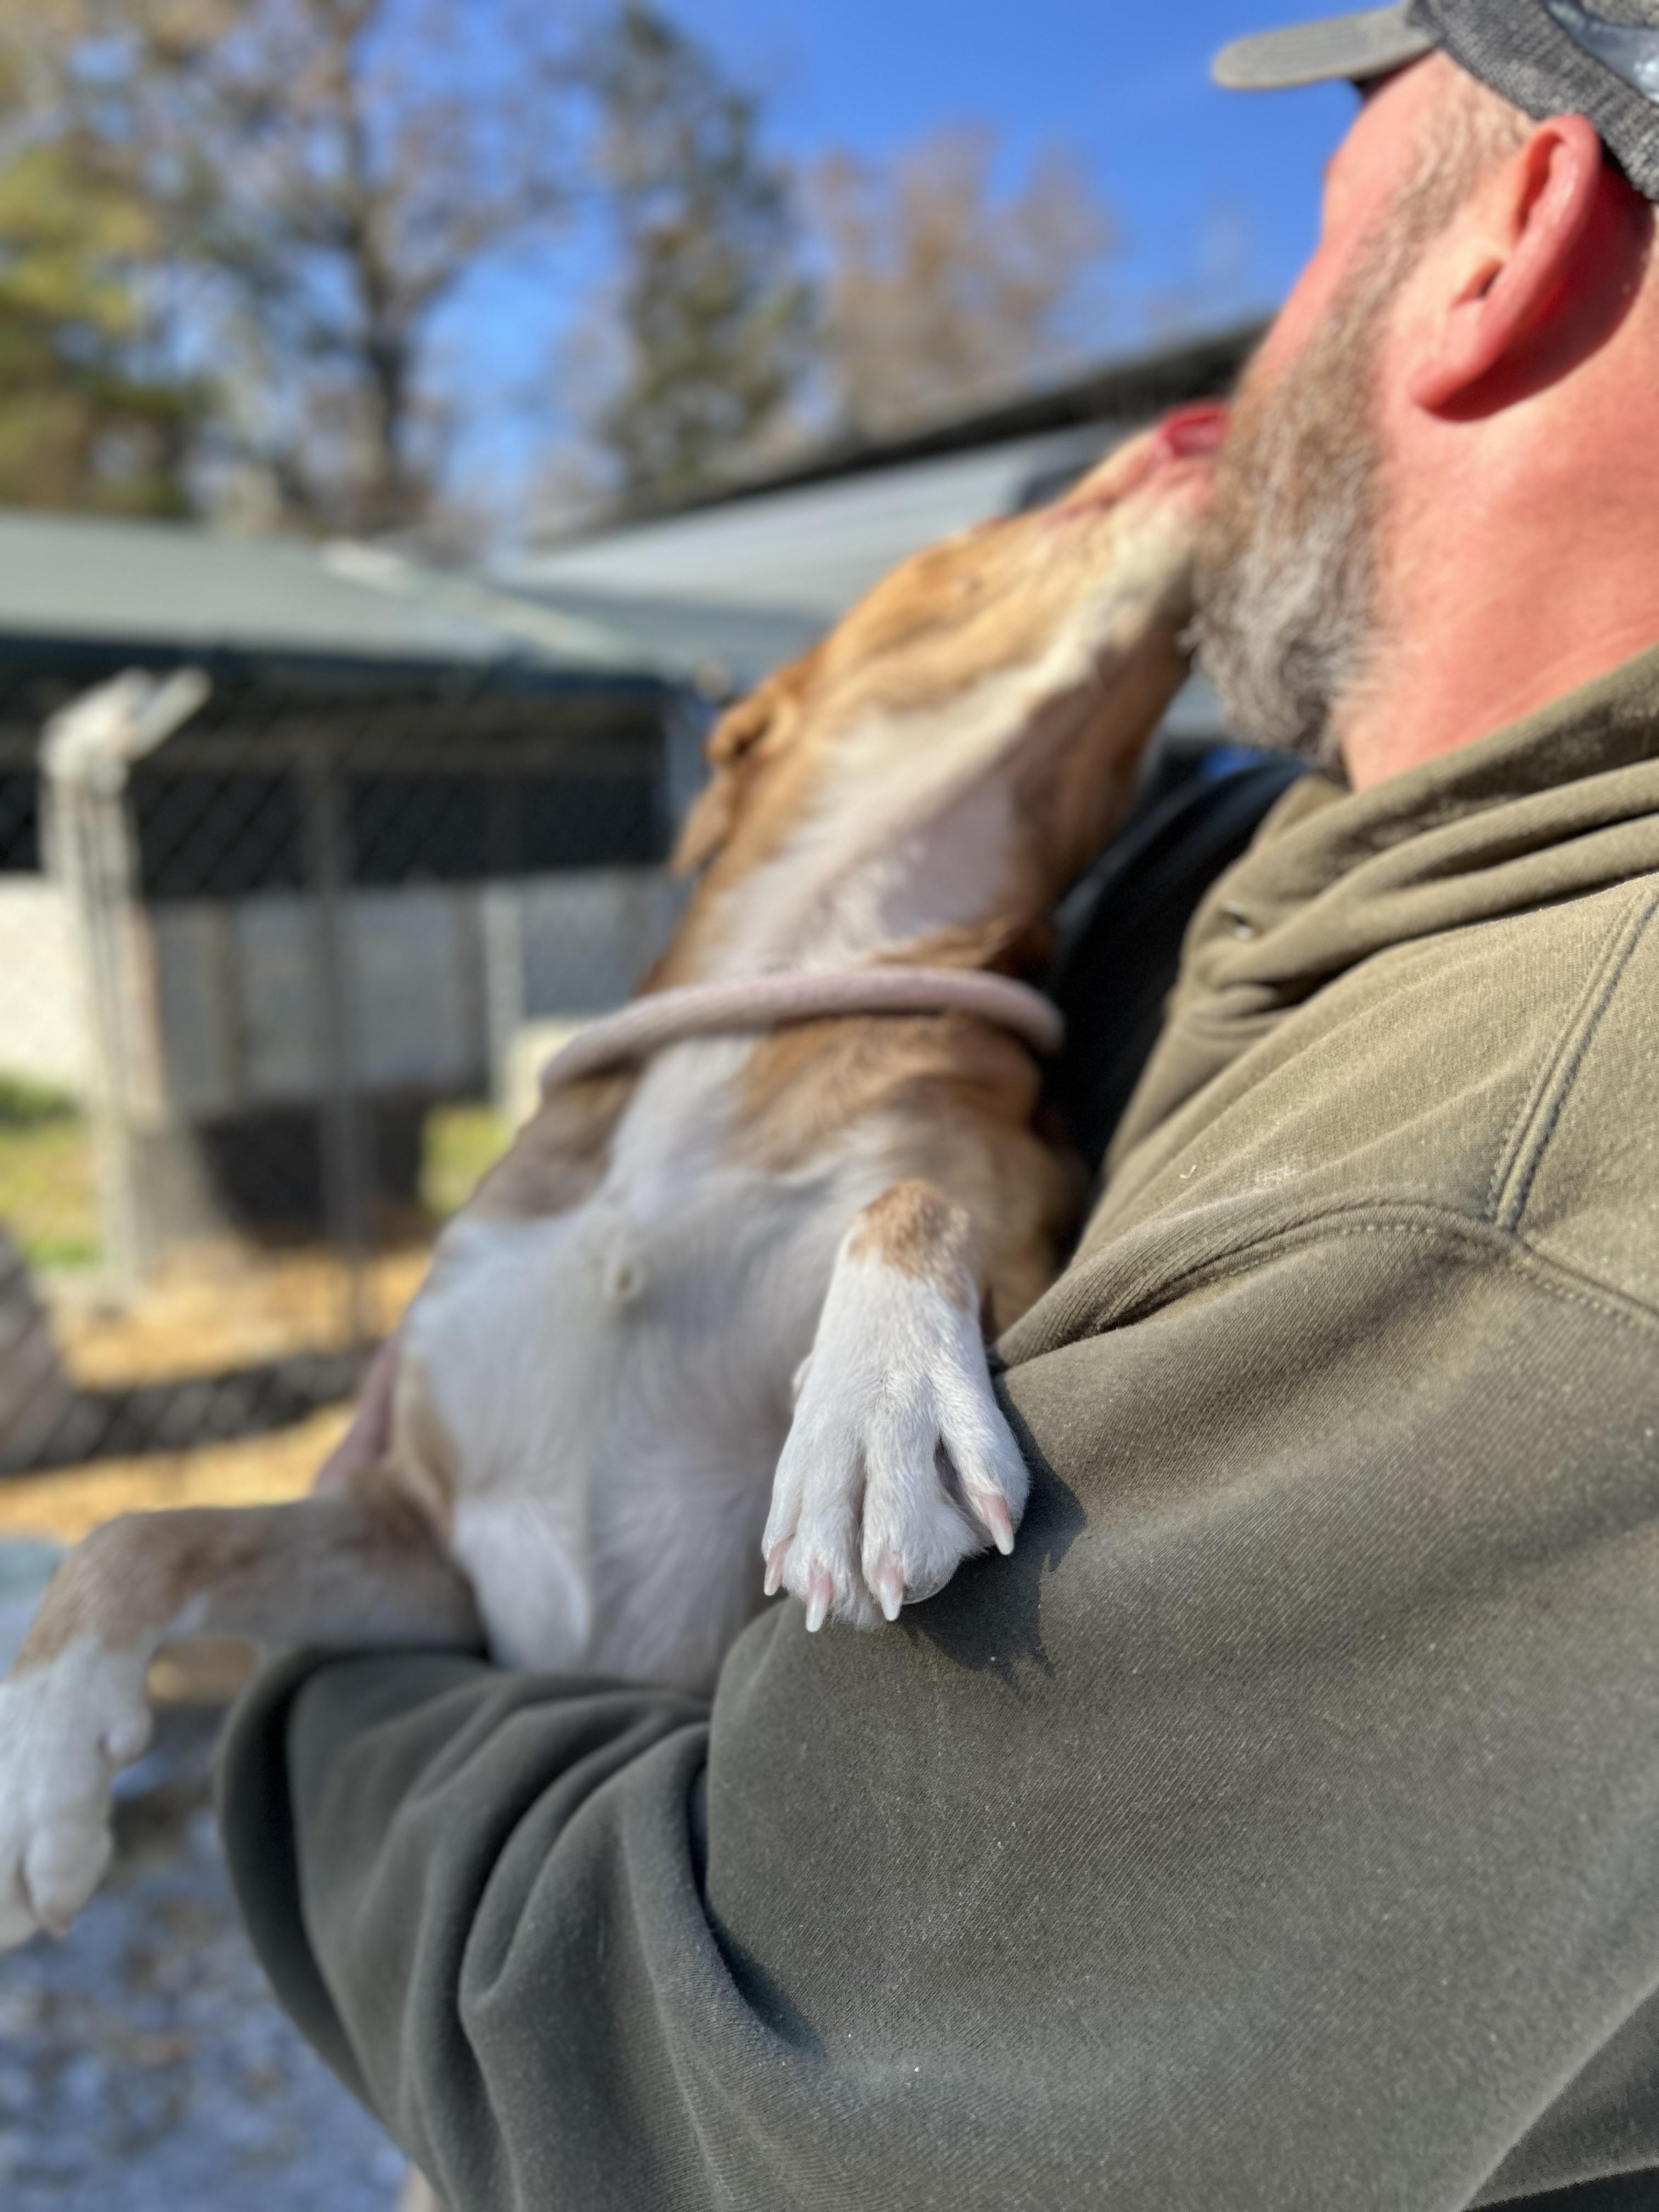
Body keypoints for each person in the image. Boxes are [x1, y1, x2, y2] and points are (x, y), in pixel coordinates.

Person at [218, 5, 1659, 2205]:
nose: (1246, 367)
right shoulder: (1258, 875)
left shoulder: (1535, 1207)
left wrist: (319, 1707)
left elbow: (772, 2090)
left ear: (1509, 247)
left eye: (1320, 232)